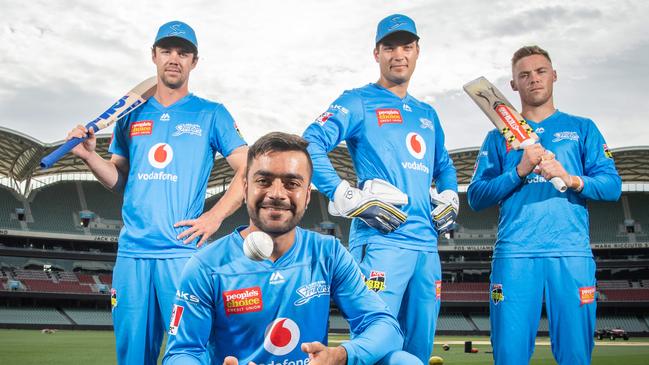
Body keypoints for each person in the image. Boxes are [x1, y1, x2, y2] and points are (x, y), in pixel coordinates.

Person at [65, 21, 248, 364]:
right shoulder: (129, 116)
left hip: (182, 254)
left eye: (183, 52)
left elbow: (249, 167)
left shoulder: (211, 113)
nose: (174, 58)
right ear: (154, 56)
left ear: (195, 61)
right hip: (132, 253)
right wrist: (90, 155)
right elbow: (120, 179)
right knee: (132, 356)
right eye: (167, 51)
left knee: (191, 354)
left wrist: (215, 216)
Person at [163, 132, 422, 365]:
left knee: (402, 361)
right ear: (245, 188)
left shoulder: (327, 253)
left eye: (291, 183)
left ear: (307, 196)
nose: (277, 193)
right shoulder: (206, 265)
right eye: (264, 181)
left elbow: (384, 325)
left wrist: (340, 355)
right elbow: (181, 353)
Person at [301, 14, 458, 363]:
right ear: (377, 53)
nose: (398, 54)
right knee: (373, 345)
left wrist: (451, 197)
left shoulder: (427, 113)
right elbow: (311, 142)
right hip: (382, 243)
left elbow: (445, 167)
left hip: (426, 250)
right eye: (389, 47)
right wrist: (345, 196)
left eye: (407, 46)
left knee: (417, 352)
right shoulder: (357, 100)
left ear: (418, 52)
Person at [467, 45, 622, 365]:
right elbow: (477, 196)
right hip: (515, 254)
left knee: (575, 356)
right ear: (513, 85)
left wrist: (571, 178)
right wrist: (519, 170)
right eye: (524, 75)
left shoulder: (583, 128)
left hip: (571, 253)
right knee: (509, 356)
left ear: (554, 75)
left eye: (540, 71)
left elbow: (612, 187)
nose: (533, 79)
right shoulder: (497, 137)